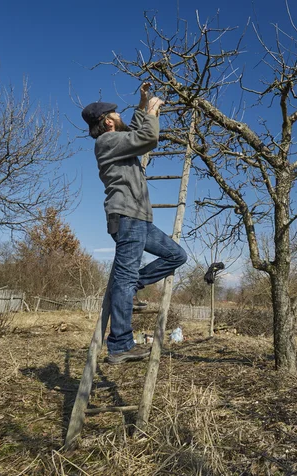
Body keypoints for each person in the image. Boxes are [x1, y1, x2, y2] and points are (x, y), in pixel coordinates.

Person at [82, 83, 187, 364]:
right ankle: (119, 345)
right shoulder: (106, 142)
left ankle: (129, 287)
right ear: (107, 121)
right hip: (127, 216)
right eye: (115, 113)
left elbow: (133, 132)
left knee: (176, 255)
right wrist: (152, 112)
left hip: (138, 218)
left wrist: (142, 105)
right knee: (125, 278)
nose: (119, 114)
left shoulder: (117, 140)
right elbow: (147, 139)